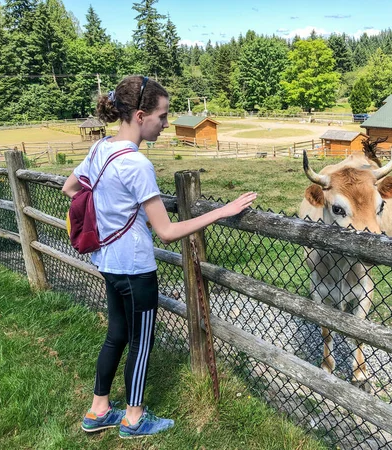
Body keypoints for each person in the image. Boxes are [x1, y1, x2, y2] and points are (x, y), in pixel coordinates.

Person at [62, 75, 256, 439]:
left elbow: (70, 187)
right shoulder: (137, 165)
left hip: (107, 261)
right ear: (139, 115)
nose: (166, 125)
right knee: (141, 341)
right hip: (135, 267)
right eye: (162, 116)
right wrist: (221, 211)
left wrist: (109, 205)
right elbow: (166, 231)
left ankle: (98, 409)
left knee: (116, 334)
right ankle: (133, 418)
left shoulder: (101, 148)